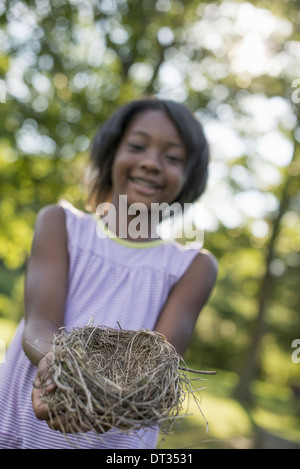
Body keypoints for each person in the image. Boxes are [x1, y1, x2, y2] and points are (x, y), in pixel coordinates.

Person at [0, 97, 218, 449]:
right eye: (136, 146)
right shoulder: (60, 224)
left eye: (173, 157)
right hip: (21, 428)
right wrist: (58, 366)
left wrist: (100, 401)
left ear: (190, 175)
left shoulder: (193, 266)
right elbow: (39, 323)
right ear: (111, 153)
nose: (151, 163)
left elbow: (157, 366)